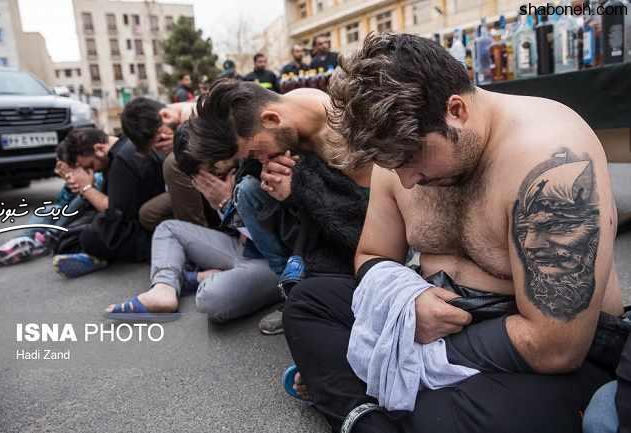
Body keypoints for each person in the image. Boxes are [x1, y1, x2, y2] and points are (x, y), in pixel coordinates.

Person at [282, 32, 625, 433]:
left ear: (456, 110)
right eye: (392, 166)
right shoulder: (398, 150)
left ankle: (364, 400)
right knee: (309, 302)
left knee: (445, 416)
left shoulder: (548, 159)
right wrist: (408, 304)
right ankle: (370, 419)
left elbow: (556, 347)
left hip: (544, 353)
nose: (406, 182)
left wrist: (411, 349)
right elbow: (372, 253)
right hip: (436, 315)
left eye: (410, 160)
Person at [188, 78, 372, 335]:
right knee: (249, 191)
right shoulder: (285, 111)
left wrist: (296, 192)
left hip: (353, 240)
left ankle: (315, 292)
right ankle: (288, 288)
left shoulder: (342, 140)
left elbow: (362, 225)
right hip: (308, 227)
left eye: (255, 153)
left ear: (271, 119)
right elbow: (255, 175)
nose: (261, 159)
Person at [105, 124, 281, 323]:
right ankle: (164, 288)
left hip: (272, 261)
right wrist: (223, 204)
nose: (212, 178)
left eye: (215, 171)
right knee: (168, 228)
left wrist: (226, 205)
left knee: (212, 299)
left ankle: (198, 278)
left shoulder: (261, 164)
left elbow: (275, 241)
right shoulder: (226, 167)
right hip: (242, 247)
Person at [52, 105, 166, 277]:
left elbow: (114, 212)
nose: (95, 171)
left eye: (91, 166)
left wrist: (86, 187)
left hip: (147, 234)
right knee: (79, 228)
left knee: (84, 237)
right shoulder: (124, 147)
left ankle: (94, 258)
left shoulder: (121, 160)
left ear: (99, 149)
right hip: (147, 224)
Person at [0, 129, 105, 268]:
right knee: (49, 209)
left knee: (82, 202)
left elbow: (96, 197)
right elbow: (62, 206)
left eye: (64, 167)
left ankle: (47, 239)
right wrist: (68, 185)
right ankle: (21, 241)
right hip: (73, 221)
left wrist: (86, 186)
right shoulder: (76, 178)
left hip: (90, 219)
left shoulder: (96, 174)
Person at [119, 97, 215, 232]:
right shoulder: (163, 117)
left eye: (160, 140)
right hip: (195, 181)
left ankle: (198, 236)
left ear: (166, 115)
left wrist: (179, 144)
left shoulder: (195, 113)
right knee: (148, 214)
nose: (161, 147)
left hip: (220, 170)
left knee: (173, 163)